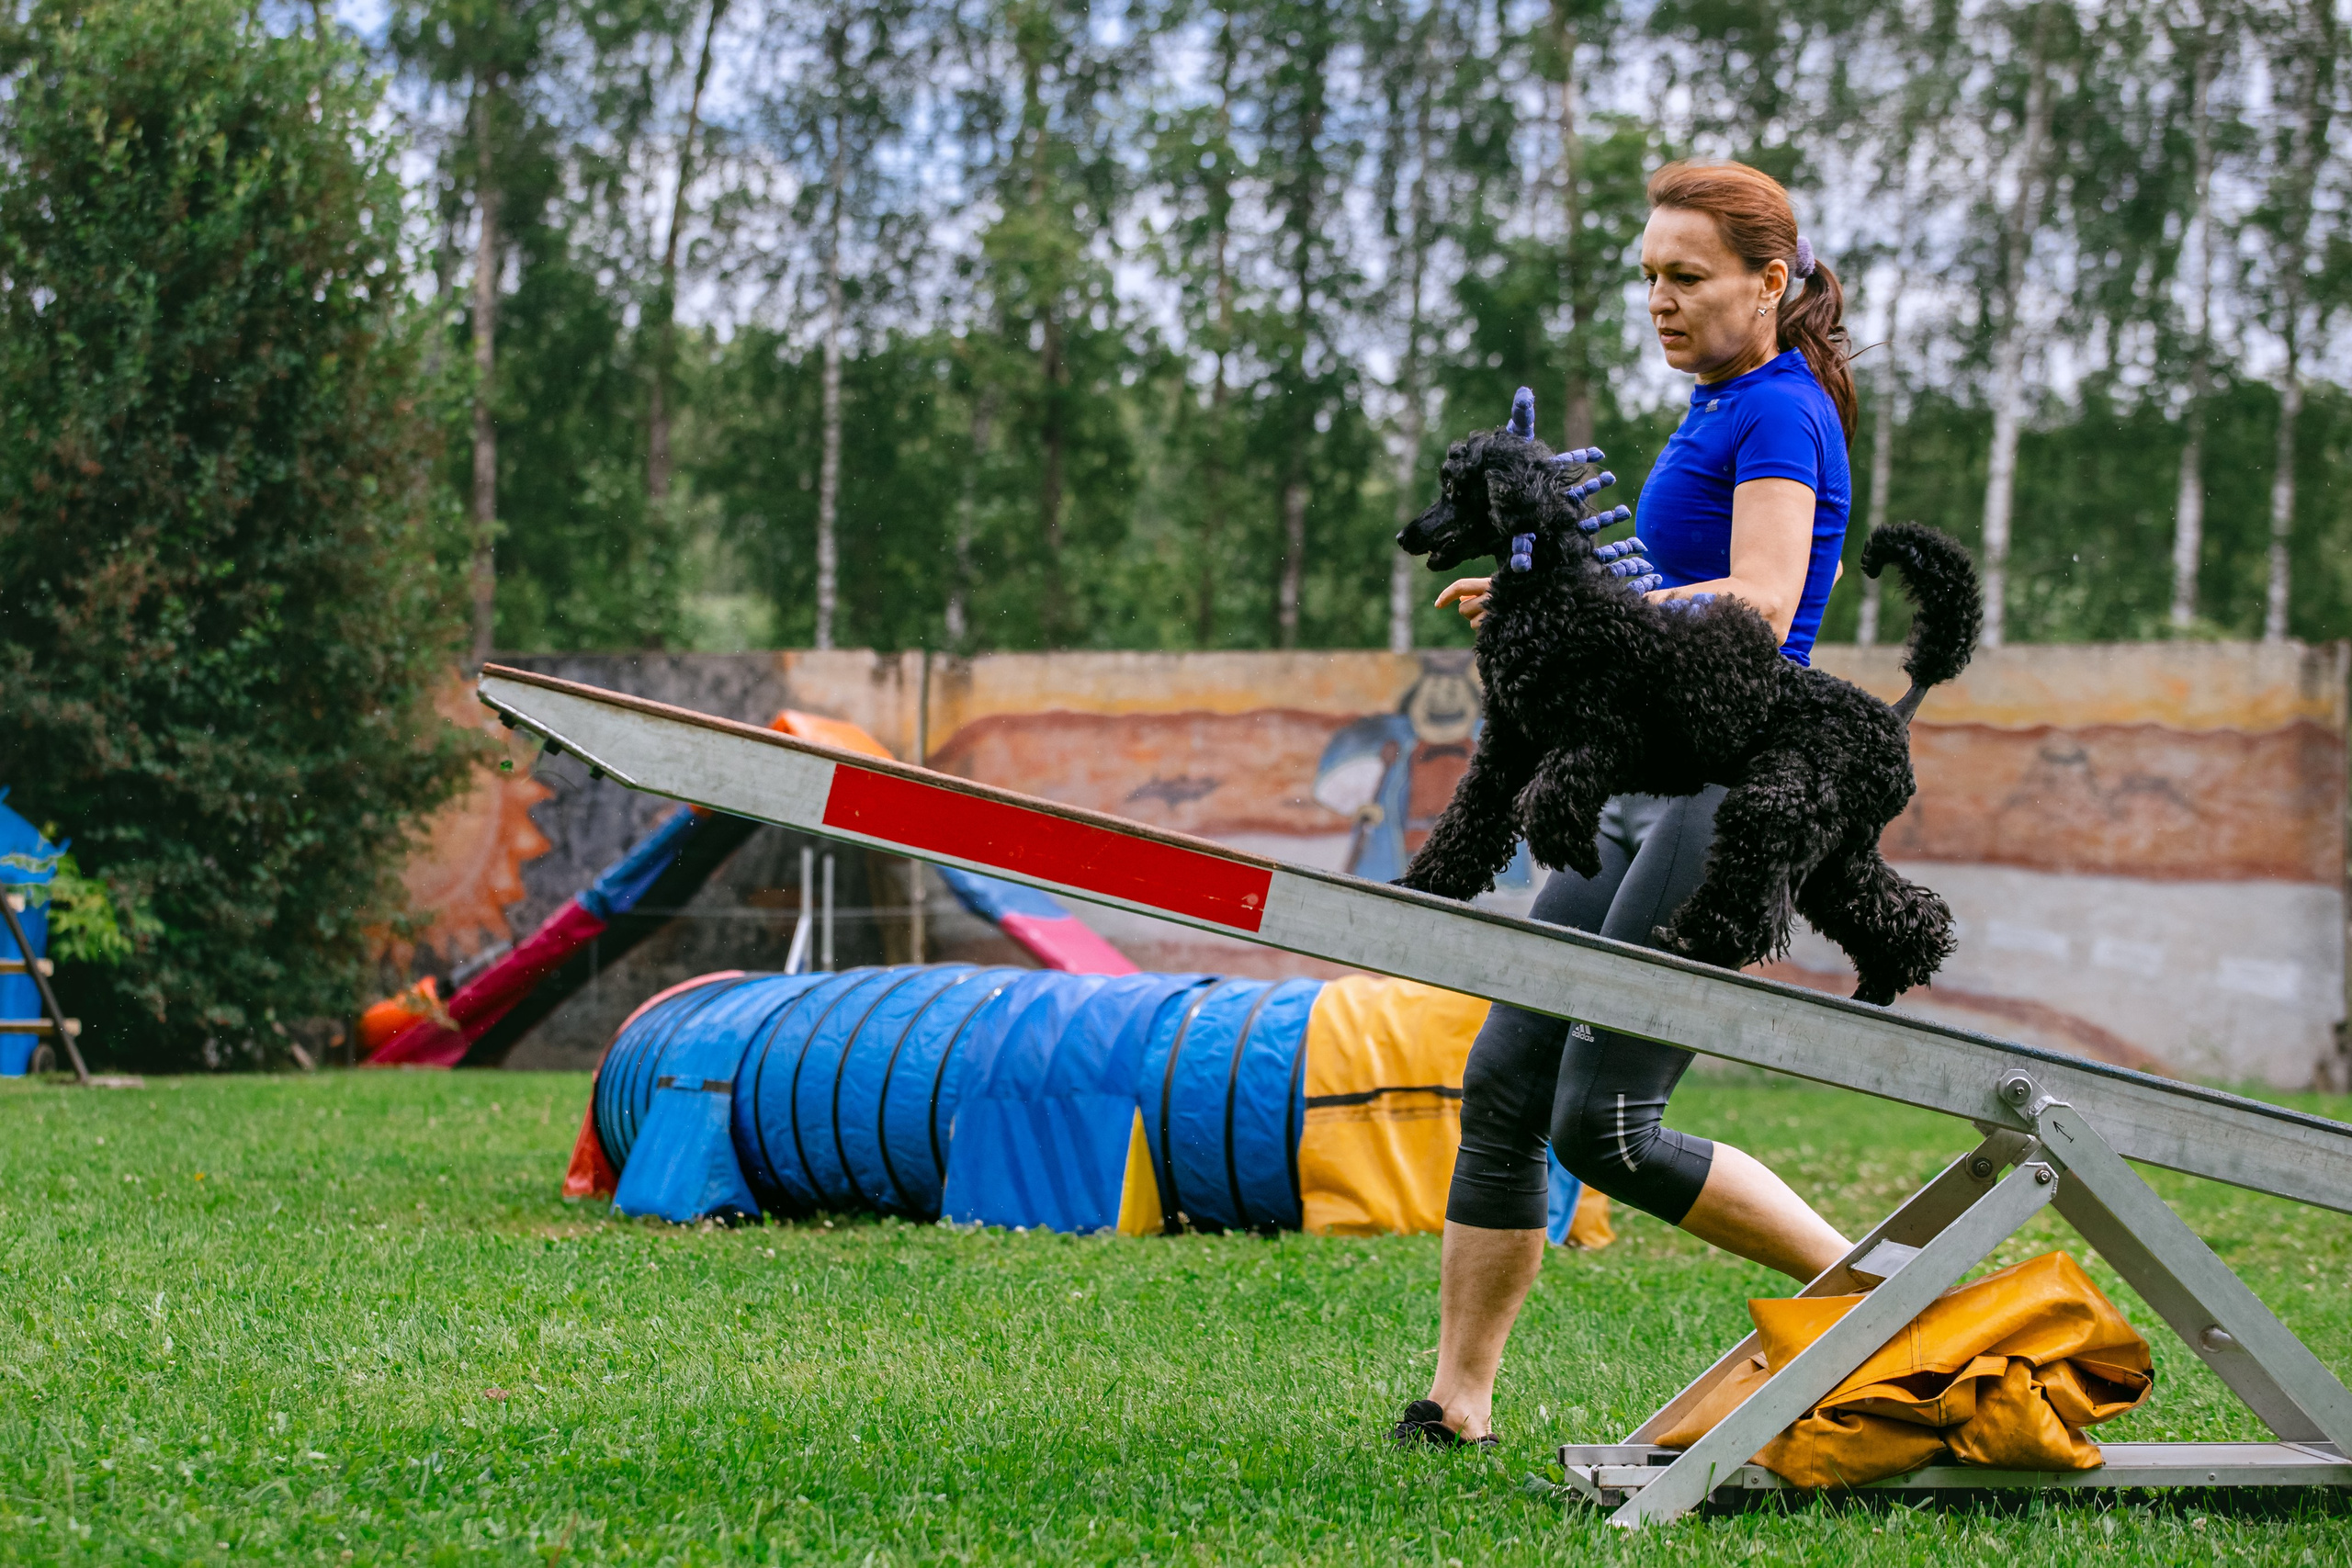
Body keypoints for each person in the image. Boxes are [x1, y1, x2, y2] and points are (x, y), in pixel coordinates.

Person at [1395, 159, 1860, 1449]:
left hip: (1724, 787)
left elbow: (1762, 603)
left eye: (1687, 277)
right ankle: (1457, 1403)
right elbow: (1662, 601)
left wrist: (1579, 608)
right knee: (1506, 1084)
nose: (1660, 300)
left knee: (1604, 1126)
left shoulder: (1782, 412)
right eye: (1649, 276)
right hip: (1641, 776)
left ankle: (1880, 1293)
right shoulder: (1716, 404)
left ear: (1769, 283)